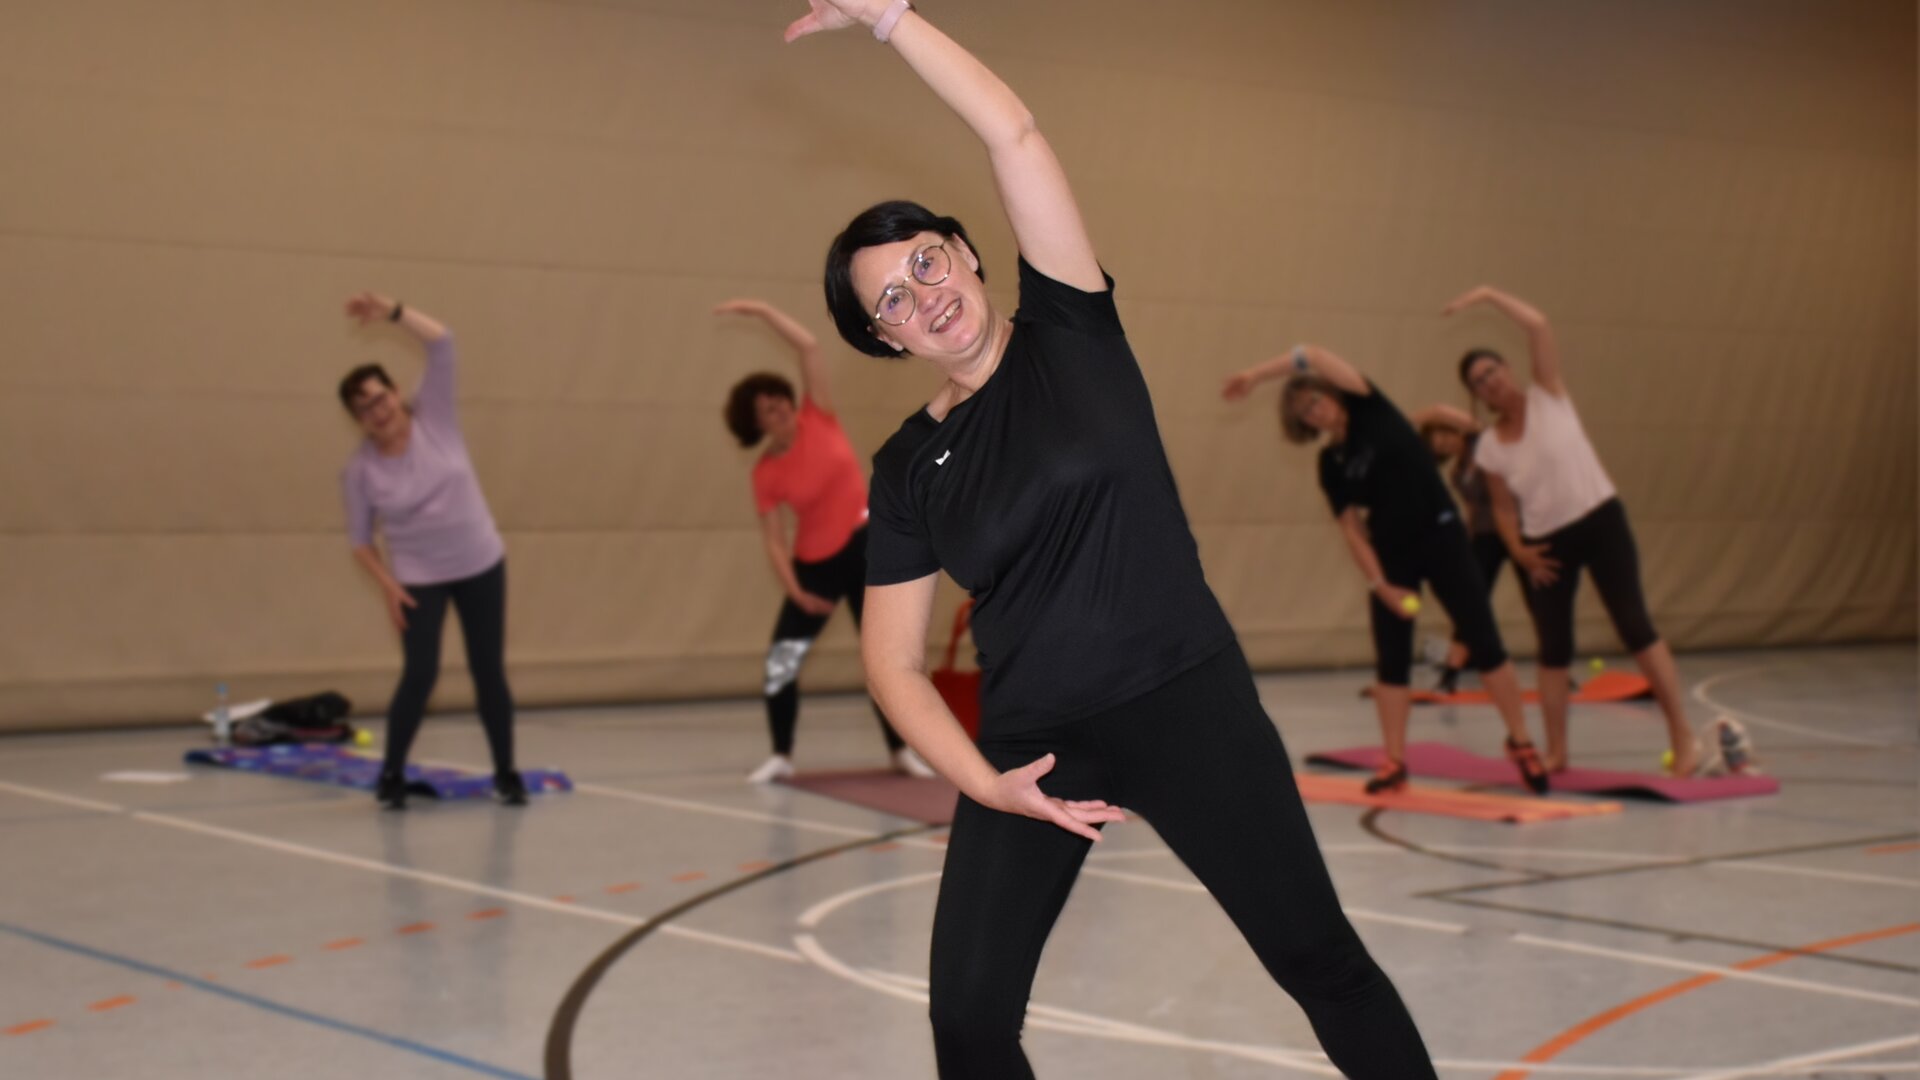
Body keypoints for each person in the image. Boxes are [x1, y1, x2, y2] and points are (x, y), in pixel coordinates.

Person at [788, 2, 1438, 1076]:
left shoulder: (1071, 331)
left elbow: (1014, 135)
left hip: (1184, 695)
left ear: (971, 256)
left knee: (1319, 959)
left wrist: (892, 20)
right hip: (1035, 735)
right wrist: (984, 782)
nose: (926, 296)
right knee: (970, 1022)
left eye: (931, 261)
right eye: (893, 299)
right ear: (882, 337)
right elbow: (892, 661)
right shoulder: (907, 466)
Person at [1223, 348, 1549, 796]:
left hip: (1443, 537)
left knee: (1483, 639)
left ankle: (1522, 741)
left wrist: (1256, 373)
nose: (1315, 412)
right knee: (1391, 661)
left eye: (1316, 400)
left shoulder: (1369, 405)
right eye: (1304, 413)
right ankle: (1395, 761)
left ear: (1331, 394)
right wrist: (1382, 586)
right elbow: (1353, 530)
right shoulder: (1330, 464)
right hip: (1393, 556)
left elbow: (1312, 354)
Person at [1442, 285, 1698, 775]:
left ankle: (1681, 735)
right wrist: (1520, 552)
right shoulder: (1491, 446)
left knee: (1635, 627)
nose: (1489, 383)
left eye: (1492, 371)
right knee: (1553, 648)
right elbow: (1502, 511)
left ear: (1508, 370)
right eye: (1478, 382)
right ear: (1475, 396)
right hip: (1546, 545)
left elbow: (1538, 324)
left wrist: (1486, 296)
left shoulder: (1549, 396)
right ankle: (1557, 751)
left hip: (1600, 521)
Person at [716, 299, 933, 783]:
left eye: (780, 402)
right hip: (814, 566)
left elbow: (809, 346)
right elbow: (774, 541)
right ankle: (780, 754)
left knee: (886, 659)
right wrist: (795, 591)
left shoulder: (821, 416)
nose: (779, 413)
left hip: (866, 549)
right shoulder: (765, 474)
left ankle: (901, 751)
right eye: (768, 413)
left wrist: (760, 312)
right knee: (781, 662)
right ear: (758, 427)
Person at [338, 292, 525, 809]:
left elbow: (444, 344)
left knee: (488, 668)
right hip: (418, 575)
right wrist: (390, 587)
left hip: (479, 561)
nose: (376, 411)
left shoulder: (435, 418)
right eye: (363, 409)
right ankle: (391, 776)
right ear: (358, 420)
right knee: (420, 672)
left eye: (379, 398)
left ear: (396, 393)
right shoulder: (360, 472)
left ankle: (506, 772)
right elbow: (360, 541)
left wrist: (393, 312)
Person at [1410, 404, 1533, 694]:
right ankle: (1451, 674)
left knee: (1538, 601)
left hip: (1518, 531)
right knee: (1470, 605)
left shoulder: (1483, 444)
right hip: (1484, 537)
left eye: (1446, 434)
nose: (1445, 442)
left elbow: (1461, 419)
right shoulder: (1456, 473)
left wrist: (1423, 417)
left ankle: (1559, 671)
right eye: (1437, 442)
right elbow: (1473, 510)